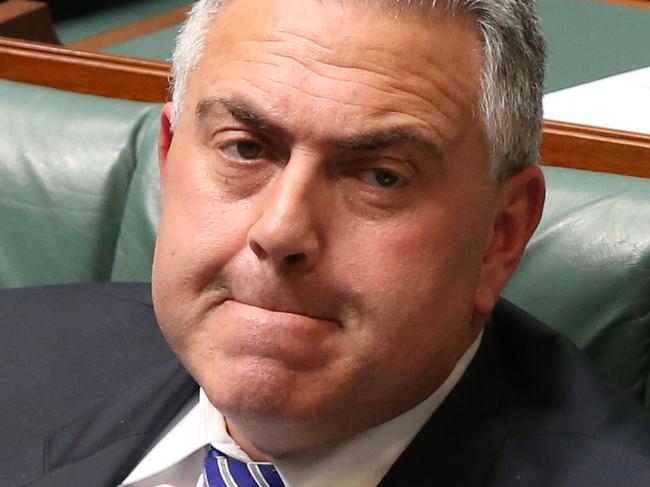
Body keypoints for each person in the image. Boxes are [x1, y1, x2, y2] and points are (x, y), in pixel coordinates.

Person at [2, 0, 650, 486]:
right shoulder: (17, 352)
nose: (280, 231)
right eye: (245, 148)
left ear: (500, 235)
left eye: (381, 176)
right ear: (170, 161)